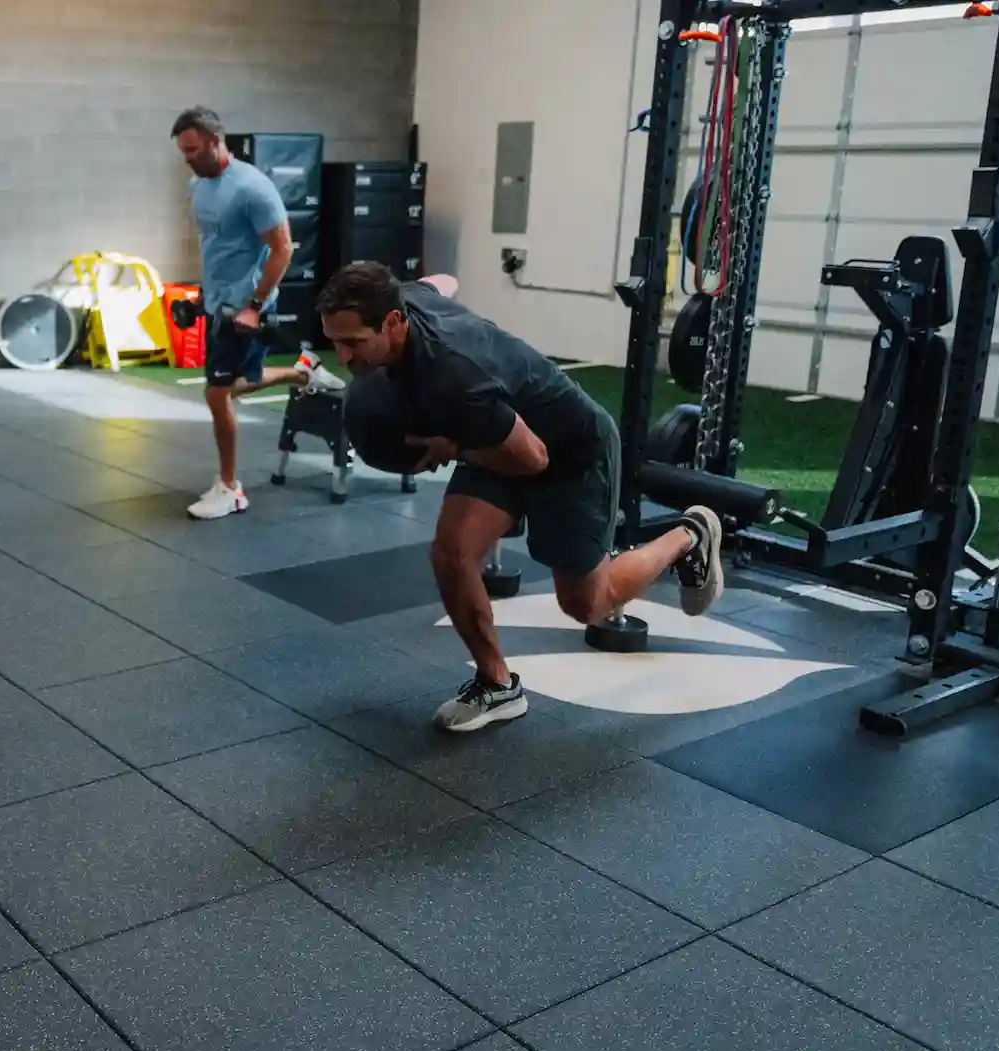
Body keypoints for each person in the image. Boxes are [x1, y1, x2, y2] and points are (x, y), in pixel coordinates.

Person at [315, 261, 724, 732]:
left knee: (588, 604)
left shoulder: (452, 377)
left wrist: (453, 446)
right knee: (451, 553)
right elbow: (442, 283)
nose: (342, 357)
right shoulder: (408, 299)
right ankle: (497, 685)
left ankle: (690, 535)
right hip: (496, 433)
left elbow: (533, 460)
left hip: (567, 449)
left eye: (352, 343)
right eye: (334, 341)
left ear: (392, 321)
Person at [171, 106, 342, 520]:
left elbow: (282, 250)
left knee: (216, 394)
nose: (187, 158)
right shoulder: (199, 185)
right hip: (219, 303)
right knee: (235, 384)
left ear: (215, 141)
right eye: (183, 151)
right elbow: (217, 247)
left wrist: (253, 306)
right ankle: (303, 372)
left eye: (193, 150)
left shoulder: (253, 189)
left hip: (245, 309)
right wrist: (203, 296)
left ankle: (230, 488)